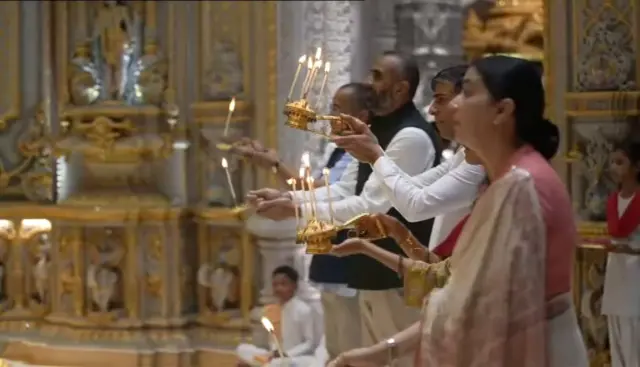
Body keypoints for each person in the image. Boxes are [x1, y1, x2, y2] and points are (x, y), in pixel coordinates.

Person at [325, 55, 589, 366]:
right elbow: (458, 285)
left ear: (502, 110)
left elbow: (476, 307)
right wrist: (380, 353)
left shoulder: (519, 186)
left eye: (467, 93)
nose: (450, 107)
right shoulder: (506, 178)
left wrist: (381, 352)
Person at [250, 51, 443, 367]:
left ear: (400, 90)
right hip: (371, 269)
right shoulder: (381, 131)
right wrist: (291, 200)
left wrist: (294, 210)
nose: (370, 83)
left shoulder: (410, 136)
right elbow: (344, 189)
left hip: (397, 273)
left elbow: (372, 205)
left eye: (378, 76)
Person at [232, 83, 371, 361]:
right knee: (337, 351)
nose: (328, 115)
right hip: (333, 261)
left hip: (351, 264)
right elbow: (317, 191)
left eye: (337, 109)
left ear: (363, 116)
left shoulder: (361, 153)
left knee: (355, 350)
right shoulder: (341, 152)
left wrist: (288, 203)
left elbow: (328, 196)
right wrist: (273, 168)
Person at [332, 65, 486, 251]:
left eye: (441, 100)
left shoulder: (479, 161)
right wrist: (374, 156)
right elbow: (411, 185)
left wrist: (376, 157)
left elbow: (416, 206)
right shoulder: (464, 153)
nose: (431, 110)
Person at [602, 140, 640, 367]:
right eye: (612, 163)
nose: (614, 168)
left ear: (636, 166)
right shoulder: (613, 201)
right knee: (617, 346)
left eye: (620, 162)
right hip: (615, 278)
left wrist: (631, 249)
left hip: (636, 280)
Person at [236, 266, 319, 367]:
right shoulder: (272, 309)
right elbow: (272, 341)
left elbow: (309, 343)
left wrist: (286, 354)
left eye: (283, 284)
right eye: (275, 285)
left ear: (294, 286)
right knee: (242, 349)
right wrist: (272, 353)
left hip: (295, 357)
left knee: (278, 364)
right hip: (274, 356)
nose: (278, 288)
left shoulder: (304, 310)